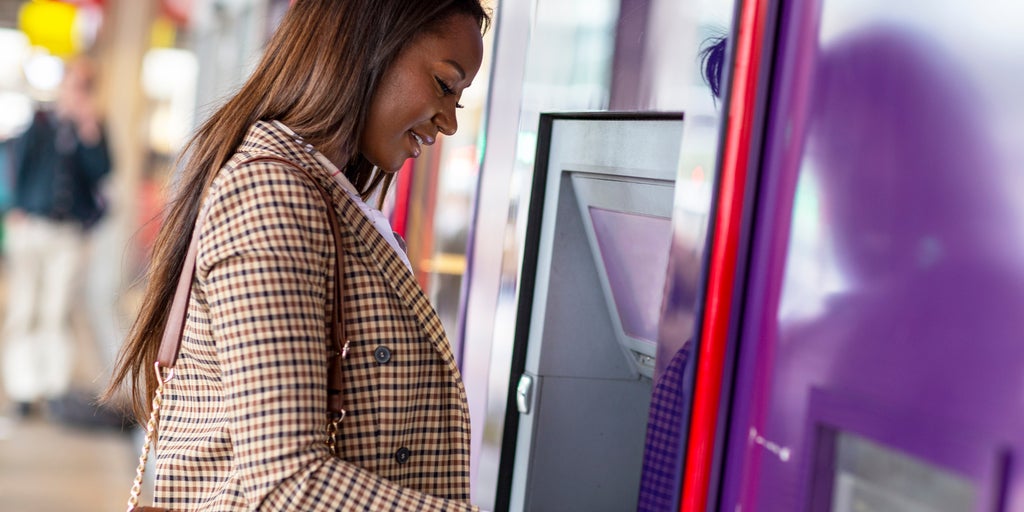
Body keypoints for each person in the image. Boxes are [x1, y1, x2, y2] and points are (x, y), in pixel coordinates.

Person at [105, 0, 489, 510]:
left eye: (459, 101)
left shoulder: (326, 194)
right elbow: (286, 483)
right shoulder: (274, 193)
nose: (449, 123)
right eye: (445, 84)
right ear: (369, 44)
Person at [2, 56, 111, 418]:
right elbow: (17, 164)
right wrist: (14, 207)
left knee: (57, 310)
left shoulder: (91, 128)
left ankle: (53, 389)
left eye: (84, 86)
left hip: (68, 234)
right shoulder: (42, 122)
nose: (76, 92)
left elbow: (103, 173)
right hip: (32, 227)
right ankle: (23, 389)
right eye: (72, 84)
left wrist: (88, 129)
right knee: (26, 308)